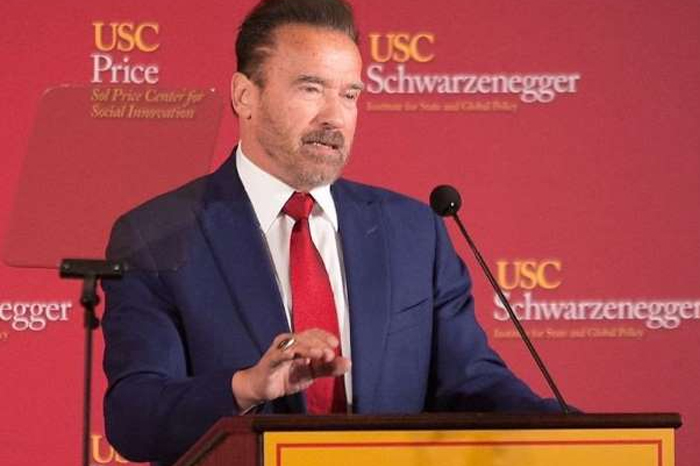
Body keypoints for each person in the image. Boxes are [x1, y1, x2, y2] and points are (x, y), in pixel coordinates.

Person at [102, 0, 562, 464]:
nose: (335, 117)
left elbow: (472, 383)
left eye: (349, 95)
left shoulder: (414, 232)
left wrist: (573, 433)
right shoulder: (157, 235)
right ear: (244, 96)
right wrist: (246, 387)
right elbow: (134, 417)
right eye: (311, 88)